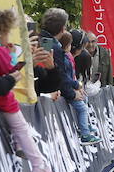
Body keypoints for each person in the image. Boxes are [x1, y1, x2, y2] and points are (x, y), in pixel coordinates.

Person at [0, 9, 60, 172]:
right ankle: (38, 165)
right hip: (6, 101)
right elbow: (10, 70)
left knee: (20, 129)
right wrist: (16, 58)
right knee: (22, 129)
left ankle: (21, 146)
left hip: (3, 100)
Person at [40, 9, 100, 145]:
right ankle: (85, 132)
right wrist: (73, 91)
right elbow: (58, 74)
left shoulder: (46, 40)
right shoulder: (53, 45)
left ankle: (86, 127)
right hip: (52, 91)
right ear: (62, 29)